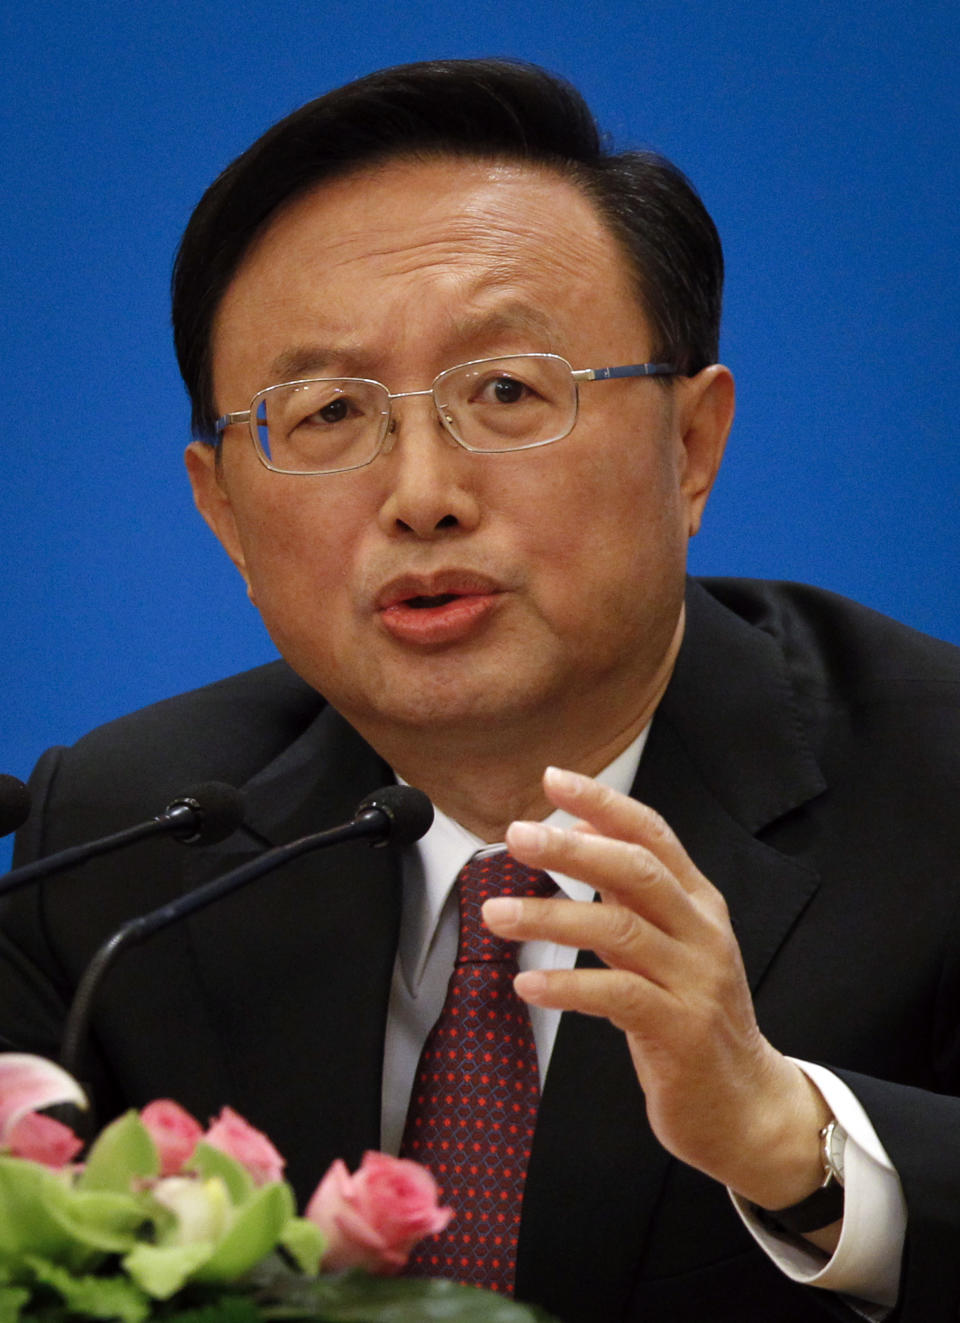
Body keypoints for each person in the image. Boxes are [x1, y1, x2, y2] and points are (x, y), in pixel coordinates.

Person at [4, 58, 960, 1323]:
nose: (419, 493)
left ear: (691, 447)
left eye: (506, 392)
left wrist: (797, 1146)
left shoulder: (940, 784)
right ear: (224, 514)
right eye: (330, 411)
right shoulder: (118, 850)